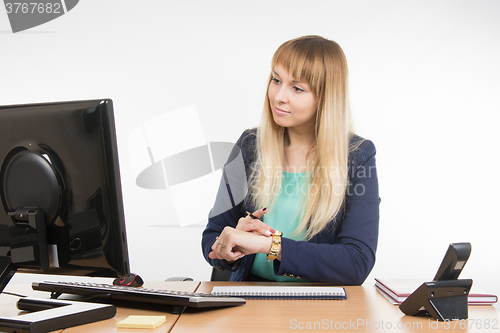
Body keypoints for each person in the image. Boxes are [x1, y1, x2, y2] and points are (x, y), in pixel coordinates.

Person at [202, 35, 379, 284]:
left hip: (320, 306)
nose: (278, 96)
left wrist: (269, 245)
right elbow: (211, 238)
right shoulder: (250, 145)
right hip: (249, 300)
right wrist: (227, 245)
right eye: (276, 80)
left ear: (325, 98)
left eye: (297, 88)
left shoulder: (357, 155)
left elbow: (356, 262)